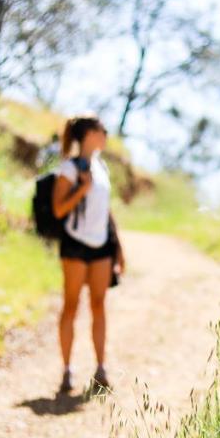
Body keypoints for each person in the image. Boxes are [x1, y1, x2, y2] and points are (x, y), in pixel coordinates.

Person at [52, 115, 125, 397]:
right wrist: (82, 188)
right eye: (102, 130)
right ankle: (67, 370)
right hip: (76, 245)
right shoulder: (69, 169)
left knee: (99, 305)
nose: (106, 134)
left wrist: (118, 247)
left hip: (102, 246)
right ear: (89, 134)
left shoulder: (101, 167)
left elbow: (105, 211)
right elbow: (59, 210)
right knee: (71, 305)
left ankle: (100, 369)